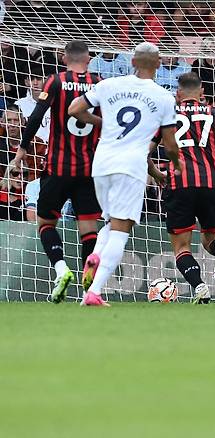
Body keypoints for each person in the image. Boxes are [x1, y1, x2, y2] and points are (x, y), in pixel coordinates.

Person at [68, 42, 181, 307]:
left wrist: (102, 122)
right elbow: (169, 143)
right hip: (130, 166)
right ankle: (93, 291)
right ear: (159, 63)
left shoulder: (109, 85)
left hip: (102, 163)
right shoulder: (163, 97)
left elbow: (74, 109)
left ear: (132, 62)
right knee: (121, 229)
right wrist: (176, 163)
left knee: (109, 222)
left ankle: (95, 256)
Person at [12, 41, 102, 304]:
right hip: (89, 168)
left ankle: (61, 269)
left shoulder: (55, 81)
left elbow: (37, 115)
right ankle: (89, 291)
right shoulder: (100, 83)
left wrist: (22, 149)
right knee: (89, 230)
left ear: (64, 58)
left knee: (45, 223)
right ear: (89, 58)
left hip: (57, 166)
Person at [155, 72, 215, 304]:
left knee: (182, 247)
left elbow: (145, 152)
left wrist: (158, 175)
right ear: (202, 93)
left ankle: (200, 287)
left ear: (178, 93)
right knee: (211, 239)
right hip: (211, 183)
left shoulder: (168, 115)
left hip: (179, 183)